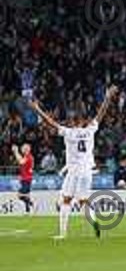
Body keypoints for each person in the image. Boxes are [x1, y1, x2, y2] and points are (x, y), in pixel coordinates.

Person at [30, 85, 119, 239]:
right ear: (84, 121)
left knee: (66, 200)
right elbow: (101, 114)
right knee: (84, 201)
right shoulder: (89, 130)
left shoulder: (69, 133)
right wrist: (107, 97)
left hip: (74, 171)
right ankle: (95, 221)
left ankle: (62, 234)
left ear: (73, 122)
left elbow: (50, 122)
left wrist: (37, 109)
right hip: (87, 171)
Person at [12, 143, 34, 214]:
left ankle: (31, 204)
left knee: (20, 195)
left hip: (27, 179)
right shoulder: (27, 156)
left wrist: (16, 152)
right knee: (25, 195)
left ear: (27, 149)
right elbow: (22, 161)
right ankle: (28, 209)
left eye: (24, 148)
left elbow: (21, 161)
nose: (22, 149)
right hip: (25, 178)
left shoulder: (29, 157)